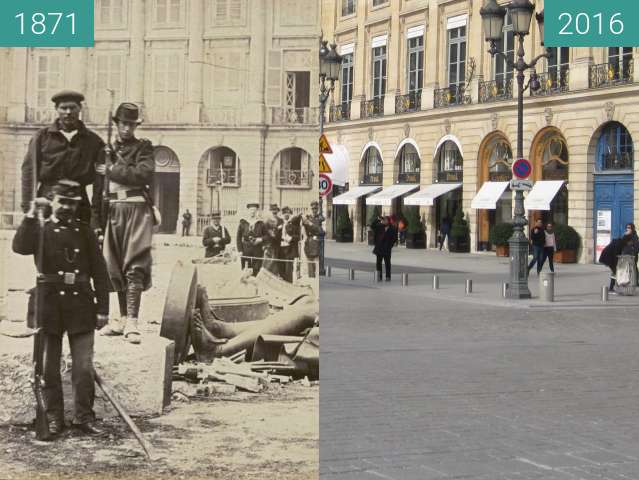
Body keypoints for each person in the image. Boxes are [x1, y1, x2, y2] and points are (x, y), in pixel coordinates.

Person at [12, 180, 110, 436]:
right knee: (48, 368)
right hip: (49, 304)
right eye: (62, 202)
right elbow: (19, 247)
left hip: (81, 304)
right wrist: (32, 215)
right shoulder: (40, 229)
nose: (67, 207)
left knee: (83, 367)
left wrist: (103, 309)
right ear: (51, 201)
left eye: (72, 203)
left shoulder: (85, 231)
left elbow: (100, 271)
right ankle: (53, 418)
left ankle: (83, 417)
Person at [93, 103, 155, 344]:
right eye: (123, 123)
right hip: (113, 210)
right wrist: (97, 222)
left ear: (135, 126)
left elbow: (143, 175)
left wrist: (112, 169)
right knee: (114, 267)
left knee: (134, 265)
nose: (127, 128)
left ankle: (133, 321)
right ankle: (119, 320)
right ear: (116, 124)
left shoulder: (144, 148)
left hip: (137, 210)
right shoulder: (105, 150)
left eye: (131, 124)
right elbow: (99, 190)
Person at [21, 90, 104, 223]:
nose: (68, 112)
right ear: (56, 109)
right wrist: (28, 206)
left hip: (78, 202)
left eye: (72, 107)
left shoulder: (93, 141)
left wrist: (96, 216)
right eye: (63, 108)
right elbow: (29, 172)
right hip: (46, 200)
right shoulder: (42, 137)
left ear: (80, 109)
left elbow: (100, 181)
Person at [236, 202, 266, 276]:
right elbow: (238, 237)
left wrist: (260, 239)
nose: (252, 212)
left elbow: (267, 236)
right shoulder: (243, 222)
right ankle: (246, 286)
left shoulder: (261, 223)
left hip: (257, 249)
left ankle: (255, 286)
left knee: (257, 269)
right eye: (251, 210)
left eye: (254, 210)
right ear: (248, 211)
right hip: (246, 249)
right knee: (246, 270)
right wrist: (240, 250)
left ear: (257, 212)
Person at [278, 206, 302, 283]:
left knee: (288, 269)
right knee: (281, 268)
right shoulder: (280, 223)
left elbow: (299, 237)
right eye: (284, 213)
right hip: (281, 249)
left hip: (290, 249)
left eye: (287, 213)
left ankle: (288, 284)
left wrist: (290, 238)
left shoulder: (294, 224)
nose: (286, 215)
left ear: (290, 214)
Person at [371, 215, 398, 281]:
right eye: (383, 220)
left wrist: (390, 245)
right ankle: (379, 276)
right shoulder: (379, 226)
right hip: (379, 248)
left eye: (385, 220)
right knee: (378, 263)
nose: (383, 221)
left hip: (387, 249)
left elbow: (395, 238)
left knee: (387, 263)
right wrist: (377, 219)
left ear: (388, 221)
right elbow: (372, 226)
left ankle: (388, 276)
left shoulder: (392, 229)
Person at [302, 200, 322, 278]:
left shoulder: (320, 218)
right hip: (308, 241)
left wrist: (310, 224)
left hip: (316, 241)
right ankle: (311, 278)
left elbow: (319, 229)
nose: (314, 210)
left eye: (315, 209)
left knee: (316, 261)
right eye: (313, 209)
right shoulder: (307, 217)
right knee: (309, 260)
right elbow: (303, 227)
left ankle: (316, 278)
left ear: (318, 209)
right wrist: (305, 236)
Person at [262, 204, 283, 275]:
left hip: (278, 246)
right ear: (270, 211)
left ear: (277, 211)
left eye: (276, 210)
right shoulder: (266, 222)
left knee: (276, 266)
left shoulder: (281, 221)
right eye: (273, 210)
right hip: (269, 246)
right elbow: (265, 234)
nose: (274, 212)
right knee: (267, 264)